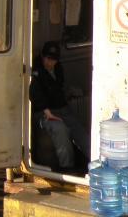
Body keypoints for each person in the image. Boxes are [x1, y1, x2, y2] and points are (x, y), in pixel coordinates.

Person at [30, 40, 90, 170]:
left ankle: (95, 160)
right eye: (47, 58)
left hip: (61, 108)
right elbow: (35, 93)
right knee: (60, 129)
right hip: (43, 111)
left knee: (78, 129)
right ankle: (67, 168)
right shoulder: (36, 70)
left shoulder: (58, 68)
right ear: (42, 56)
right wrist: (47, 113)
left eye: (53, 60)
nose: (50, 62)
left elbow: (58, 89)